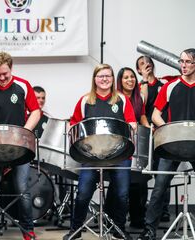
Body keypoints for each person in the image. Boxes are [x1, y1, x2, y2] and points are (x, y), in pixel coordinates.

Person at [63, 64, 136, 240]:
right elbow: (73, 124)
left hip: (119, 154)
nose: (104, 79)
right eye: (101, 76)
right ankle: (76, 229)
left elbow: (132, 123)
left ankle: (118, 229)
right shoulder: (85, 101)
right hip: (91, 155)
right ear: (94, 79)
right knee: (83, 193)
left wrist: (132, 128)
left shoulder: (121, 100)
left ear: (112, 79)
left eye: (108, 76)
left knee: (122, 194)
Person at [0, 51, 40, 240]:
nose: (2, 78)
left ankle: (28, 232)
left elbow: (35, 111)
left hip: (20, 147)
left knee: (22, 190)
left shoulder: (23, 86)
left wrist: (24, 132)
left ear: (11, 68)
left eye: (5, 74)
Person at [137, 48, 195, 240]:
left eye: (188, 62)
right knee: (160, 186)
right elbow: (154, 115)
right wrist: (172, 130)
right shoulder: (170, 86)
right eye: (181, 62)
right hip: (172, 145)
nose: (183, 66)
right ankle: (149, 230)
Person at [136, 56, 171, 222]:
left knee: (162, 171)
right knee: (142, 173)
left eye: (148, 62)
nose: (146, 65)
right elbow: (141, 105)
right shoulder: (138, 87)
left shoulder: (163, 83)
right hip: (144, 134)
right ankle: (141, 210)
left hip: (161, 132)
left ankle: (164, 210)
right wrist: (144, 80)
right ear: (138, 69)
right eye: (142, 64)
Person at [116, 67, 149, 229]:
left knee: (138, 180)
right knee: (119, 180)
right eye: (126, 77)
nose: (130, 80)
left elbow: (142, 115)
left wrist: (148, 128)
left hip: (136, 140)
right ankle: (114, 219)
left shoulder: (139, 97)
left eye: (132, 77)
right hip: (119, 142)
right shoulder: (115, 97)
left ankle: (137, 219)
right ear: (120, 81)